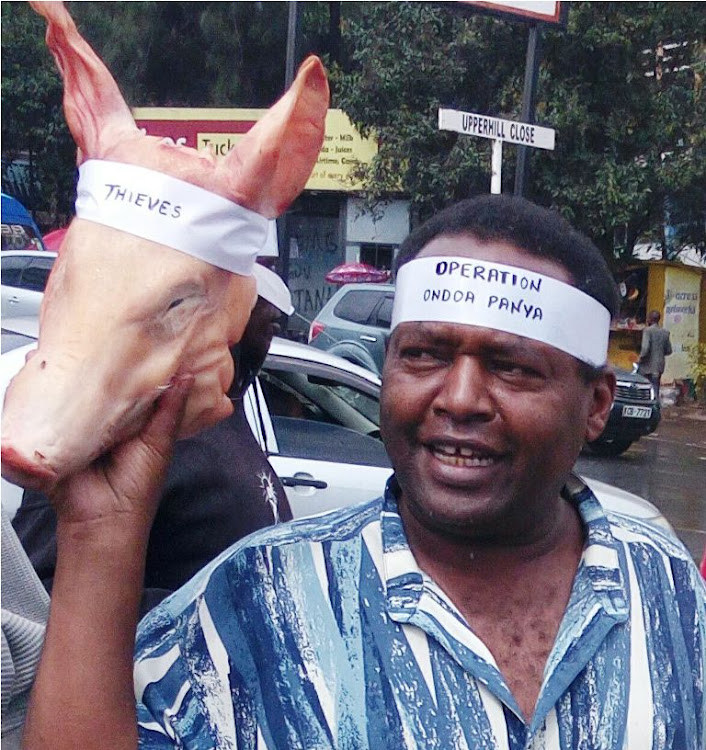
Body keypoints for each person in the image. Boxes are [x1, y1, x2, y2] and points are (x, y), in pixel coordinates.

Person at [23, 196, 705, 749]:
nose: (460, 398)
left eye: (513, 368)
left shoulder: (671, 594)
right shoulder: (252, 607)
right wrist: (100, 533)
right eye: (425, 355)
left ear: (596, 405)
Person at [12, 264, 293, 616]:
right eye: (265, 319)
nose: (270, 333)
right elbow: (34, 589)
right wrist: (210, 615)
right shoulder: (120, 421)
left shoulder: (222, 406)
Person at [638, 309, 672, 398]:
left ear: (650, 319)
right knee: (655, 388)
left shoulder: (647, 331)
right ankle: (655, 407)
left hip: (647, 366)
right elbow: (669, 351)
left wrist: (640, 358)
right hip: (659, 365)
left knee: (642, 387)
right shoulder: (665, 332)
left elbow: (645, 348)